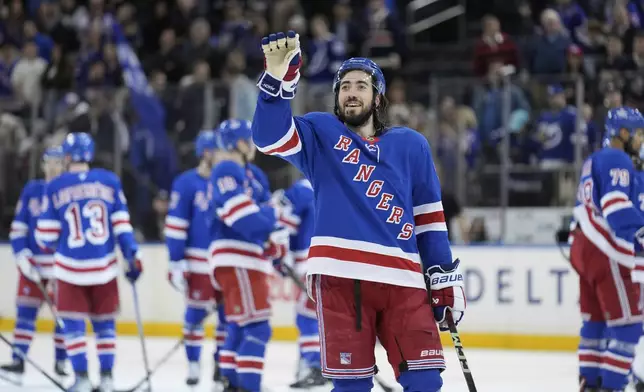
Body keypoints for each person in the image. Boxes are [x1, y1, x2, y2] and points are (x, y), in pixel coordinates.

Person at [252, 31, 465, 392]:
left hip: (404, 279)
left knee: (426, 380)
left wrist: (442, 274)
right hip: (340, 276)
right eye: (345, 85)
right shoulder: (320, 133)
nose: (352, 92)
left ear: (377, 96)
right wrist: (277, 80)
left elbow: (428, 219)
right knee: (351, 386)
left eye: (361, 86)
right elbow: (268, 137)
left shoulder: (411, 145)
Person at [35, 132, 143, 392]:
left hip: (69, 270)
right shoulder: (110, 181)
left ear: (68, 156)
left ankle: (82, 379)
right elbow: (122, 226)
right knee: (105, 325)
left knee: (73, 326)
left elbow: (46, 236)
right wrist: (131, 255)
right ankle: (106, 379)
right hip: (104, 268)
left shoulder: (56, 186)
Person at [209, 119, 290, 392]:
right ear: (240, 143)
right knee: (257, 327)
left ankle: (232, 384)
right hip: (236, 258)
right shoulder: (225, 170)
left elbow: (265, 220)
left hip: (248, 258)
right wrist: (269, 217)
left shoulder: (254, 174)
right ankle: (248, 386)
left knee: (239, 326)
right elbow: (245, 218)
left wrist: (274, 242)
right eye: (250, 139)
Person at [569, 107, 644, 391]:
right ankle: (611, 387)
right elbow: (616, 206)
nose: (640, 140)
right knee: (628, 326)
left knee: (596, 323)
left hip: (584, 248)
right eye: (638, 134)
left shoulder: (593, 160)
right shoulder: (617, 157)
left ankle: (591, 383)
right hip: (606, 250)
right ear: (622, 133)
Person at [164, 129, 227, 386]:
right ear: (207, 153)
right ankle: (193, 364)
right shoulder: (187, 183)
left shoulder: (229, 181)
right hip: (198, 264)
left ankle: (221, 364)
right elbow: (176, 226)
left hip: (225, 262)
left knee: (227, 318)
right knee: (194, 316)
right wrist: (176, 262)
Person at [0, 147, 67, 383]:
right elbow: (19, 228)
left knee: (64, 318)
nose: (53, 166)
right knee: (25, 315)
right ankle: (18, 361)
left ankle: (62, 362)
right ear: (42, 165)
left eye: (58, 162)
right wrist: (22, 256)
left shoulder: (68, 191)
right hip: (33, 266)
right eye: (49, 161)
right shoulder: (32, 190)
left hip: (61, 269)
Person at [271, 179, 328, 389]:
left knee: (307, 316)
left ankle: (313, 365)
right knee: (322, 316)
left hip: (310, 263)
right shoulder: (340, 186)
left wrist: (280, 256)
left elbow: (281, 225)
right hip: (337, 264)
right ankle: (324, 364)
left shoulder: (300, 190)